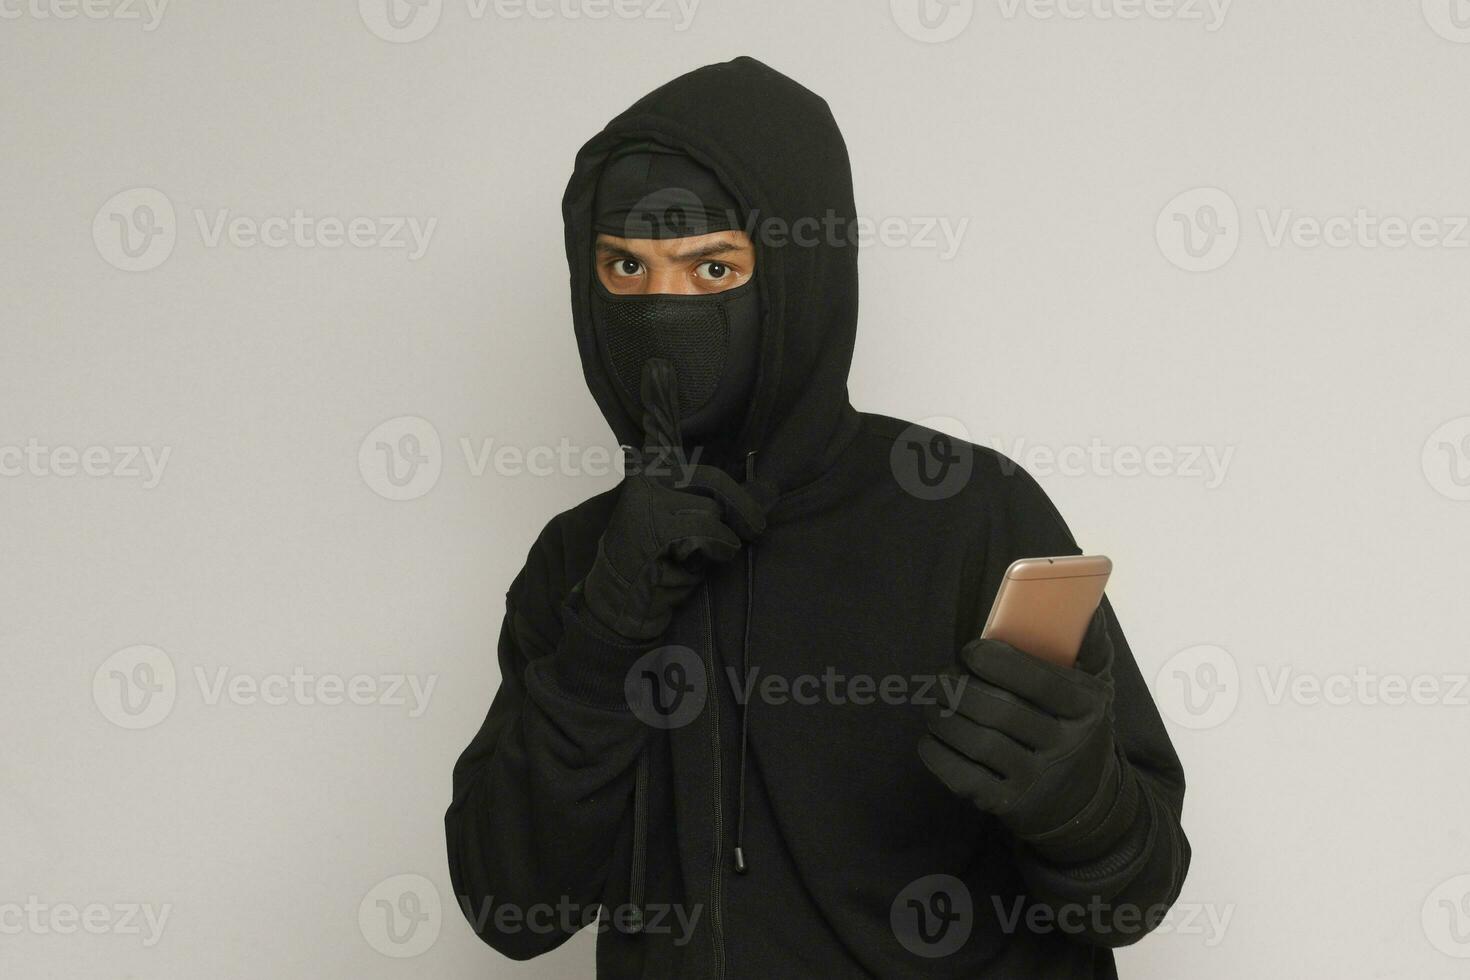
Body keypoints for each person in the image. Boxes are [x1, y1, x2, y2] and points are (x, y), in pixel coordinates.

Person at [445, 55, 1190, 978]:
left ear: (801, 272)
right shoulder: (580, 559)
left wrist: (1079, 803)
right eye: (624, 266)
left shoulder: (968, 512)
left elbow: (1137, 896)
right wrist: (606, 632)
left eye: (713, 265)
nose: (661, 304)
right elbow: (510, 909)